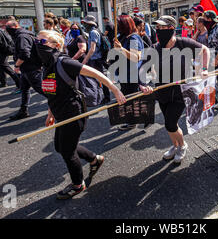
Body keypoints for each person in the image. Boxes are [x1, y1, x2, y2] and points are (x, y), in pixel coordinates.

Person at [37, 30, 126, 199]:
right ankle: (94, 159)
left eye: (42, 42)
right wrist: (50, 113)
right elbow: (52, 91)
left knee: (67, 151)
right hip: (60, 113)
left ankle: (78, 184)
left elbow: (96, 73)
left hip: (74, 114)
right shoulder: (47, 65)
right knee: (60, 146)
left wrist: (115, 90)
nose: (37, 45)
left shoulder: (65, 63)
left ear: (56, 46)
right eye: (36, 41)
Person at [139, 16, 210, 164]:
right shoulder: (154, 48)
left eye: (163, 28)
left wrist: (204, 69)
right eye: (157, 28)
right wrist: (142, 85)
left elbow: (205, 50)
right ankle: (175, 145)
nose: (159, 31)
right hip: (162, 91)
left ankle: (182, 146)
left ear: (172, 28)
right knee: (170, 123)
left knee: (170, 123)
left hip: (181, 92)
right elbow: (142, 69)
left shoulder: (183, 43)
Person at [6, 20, 45, 120]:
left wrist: (17, 65)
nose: (6, 30)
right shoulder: (22, 35)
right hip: (27, 69)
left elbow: (24, 53)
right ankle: (23, 111)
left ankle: (61, 104)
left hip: (31, 68)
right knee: (24, 89)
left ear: (15, 27)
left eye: (7, 28)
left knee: (42, 90)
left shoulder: (22, 36)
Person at [113, 15, 145, 131]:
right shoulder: (124, 37)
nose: (117, 26)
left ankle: (132, 122)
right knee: (129, 98)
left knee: (131, 99)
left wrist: (121, 49)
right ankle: (136, 120)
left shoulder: (133, 38)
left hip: (131, 74)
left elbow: (136, 57)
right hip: (124, 73)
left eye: (119, 24)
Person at [81, 19, 110, 103]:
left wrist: (85, 60)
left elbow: (92, 48)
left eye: (85, 23)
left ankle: (106, 97)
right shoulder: (93, 31)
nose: (84, 26)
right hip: (95, 59)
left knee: (101, 78)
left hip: (96, 59)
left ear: (90, 24)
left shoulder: (93, 32)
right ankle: (101, 96)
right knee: (98, 78)